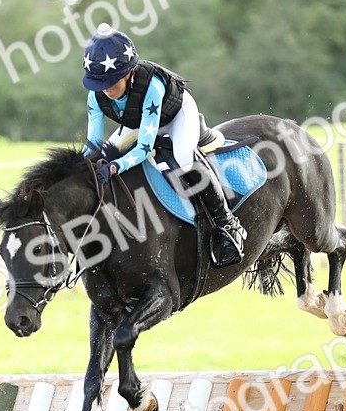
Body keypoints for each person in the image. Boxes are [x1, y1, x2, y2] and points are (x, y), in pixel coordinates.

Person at [82, 22, 247, 267]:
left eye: (111, 81)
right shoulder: (96, 96)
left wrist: (115, 167)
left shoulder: (152, 86)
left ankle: (228, 225)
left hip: (176, 115)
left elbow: (145, 148)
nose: (105, 89)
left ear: (128, 73)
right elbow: (94, 144)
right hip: (140, 119)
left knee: (182, 158)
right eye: (100, 83)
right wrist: (82, 167)